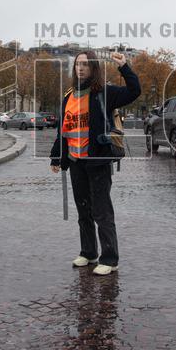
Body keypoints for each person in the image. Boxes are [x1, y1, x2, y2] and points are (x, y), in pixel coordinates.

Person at [50, 51, 141, 275]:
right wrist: (56, 157)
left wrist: (124, 67)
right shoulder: (69, 95)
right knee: (83, 210)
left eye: (86, 65)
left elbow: (134, 91)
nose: (80, 69)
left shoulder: (104, 92)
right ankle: (88, 252)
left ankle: (110, 258)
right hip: (75, 161)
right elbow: (64, 129)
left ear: (94, 69)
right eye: (78, 65)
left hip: (97, 160)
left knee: (102, 211)